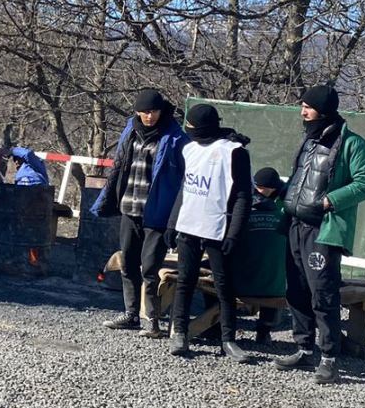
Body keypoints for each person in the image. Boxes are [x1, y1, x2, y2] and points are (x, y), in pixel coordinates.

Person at [277, 83, 365, 384]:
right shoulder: (308, 140)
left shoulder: (352, 143)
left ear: (323, 109)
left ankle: (330, 357)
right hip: (295, 223)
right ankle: (304, 349)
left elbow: (364, 183)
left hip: (324, 229)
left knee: (323, 293)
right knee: (296, 290)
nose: (302, 111)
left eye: (307, 106)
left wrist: (328, 201)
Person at [90, 88, 187, 336]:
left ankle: (153, 321)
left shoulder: (175, 138)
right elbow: (119, 166)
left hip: (156, 213)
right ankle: (131, 314)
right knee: (128, 263)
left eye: (153, 112)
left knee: (150, 268)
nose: (149, 117)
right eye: (144, 112)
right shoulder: (130, 132)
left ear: (161, 111)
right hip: (129, 207)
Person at [165, 103, 255, 363]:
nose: (188, 131)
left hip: (219, 228)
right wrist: (173, 222)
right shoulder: (189, 149)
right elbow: (186, 187)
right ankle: (179, 332)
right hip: (189, 225)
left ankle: (229, 340)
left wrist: (234, 232)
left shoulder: (233, 152)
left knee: (224, 285)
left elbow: (242, 197)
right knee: (185, 281)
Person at [229, 167, 289, 345]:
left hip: (239, 286)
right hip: (275, 289)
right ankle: (264, 330)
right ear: (271, 190)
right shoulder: (283, 217)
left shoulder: (241, 213)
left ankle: (214, 328)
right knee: (276, 270)